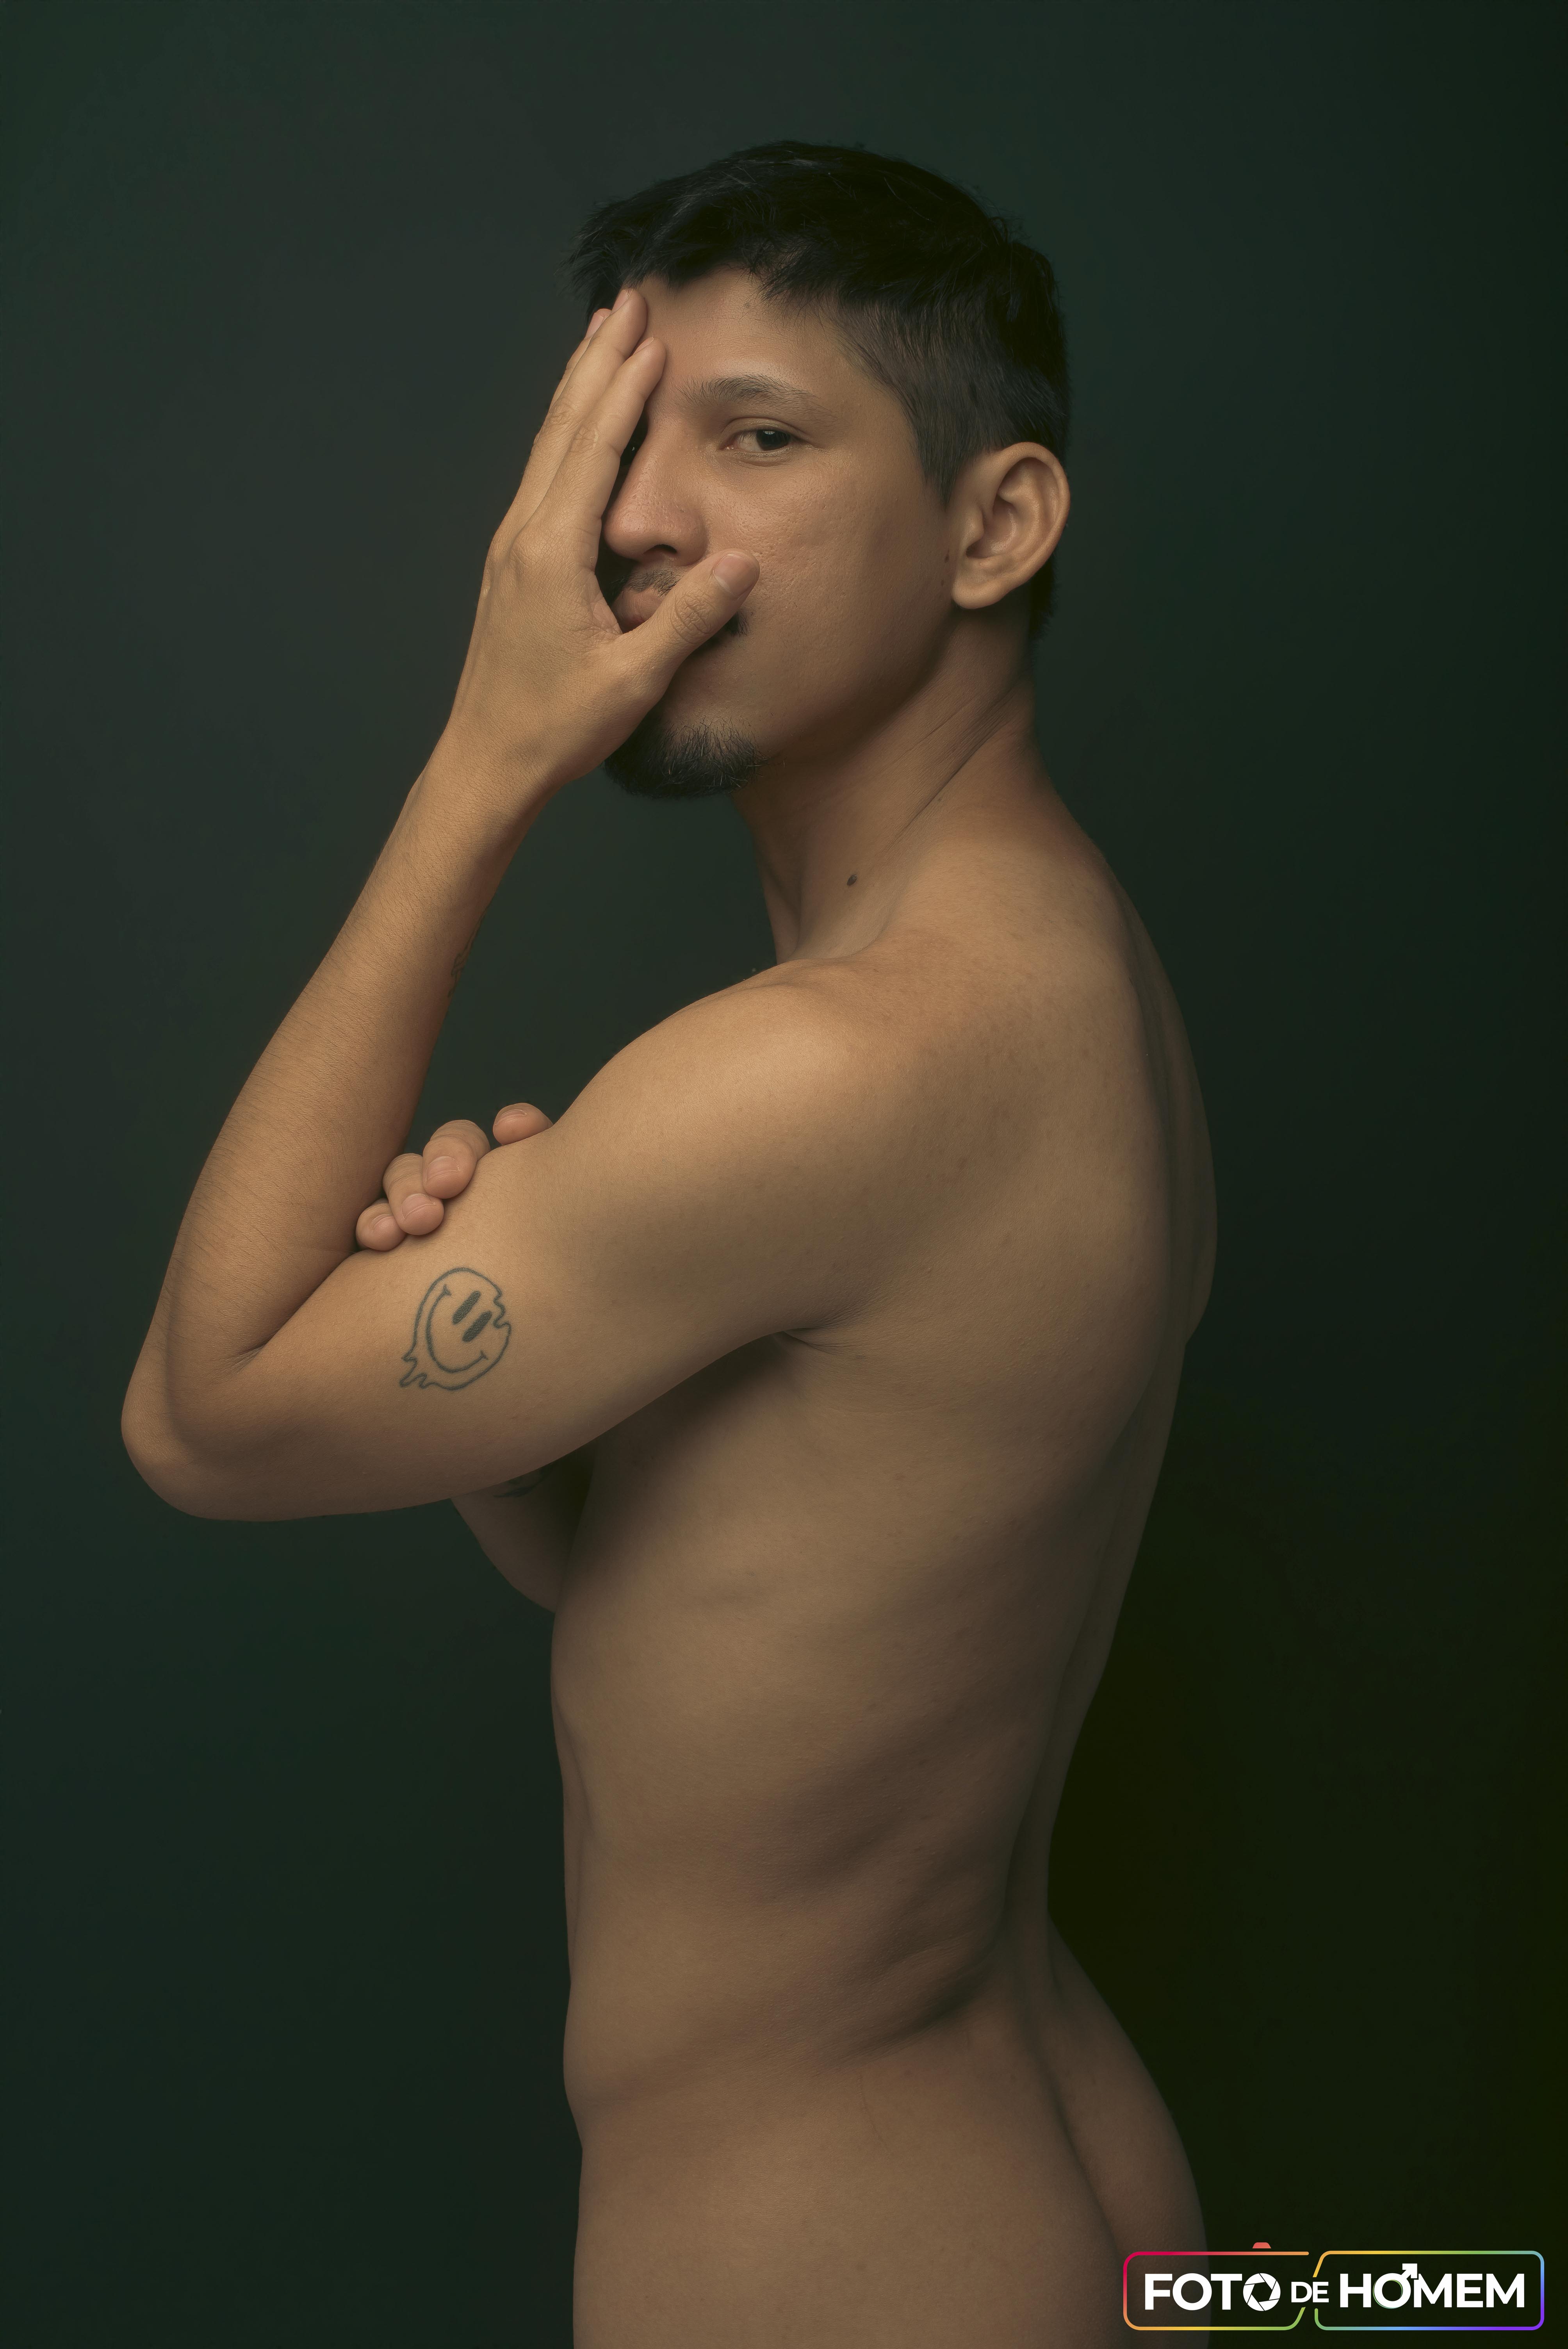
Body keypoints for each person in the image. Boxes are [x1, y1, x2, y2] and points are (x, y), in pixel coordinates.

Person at [123, 142, 1215, 2347]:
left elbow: (204, 1420)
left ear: (995, 525)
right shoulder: (1061, 975)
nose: (632, 522)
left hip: (850, 2256)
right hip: (1076, 2198)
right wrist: (522, 1438)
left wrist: (482, 762)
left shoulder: (841, 1065)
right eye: (626, 440)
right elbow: (749, 1594)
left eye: (760, 438)